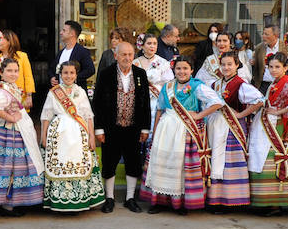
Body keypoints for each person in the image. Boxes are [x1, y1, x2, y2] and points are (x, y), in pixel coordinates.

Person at [141, 57, 224, 213]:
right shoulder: (168, 86)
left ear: (192, 70)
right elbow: (159, 108)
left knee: (181, 167)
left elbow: (218, 102)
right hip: (166, 129)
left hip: (186, 130)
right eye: (179, 68)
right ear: (174, 70)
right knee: (162, 163)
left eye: (185, 68)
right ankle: (159, 201)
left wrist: (199, 116)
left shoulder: (197, 86)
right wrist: (156, 129)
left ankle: (180, 203)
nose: (182, 72)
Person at [94, 40, 152, 212]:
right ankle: (109, 198)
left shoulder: (140, 74)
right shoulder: (105, 74)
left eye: (130, 54)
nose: (127, 58)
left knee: (133, 162)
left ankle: (130, 198)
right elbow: (97, 102)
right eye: (123, 54)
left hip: (133, 128)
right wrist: (99, 128)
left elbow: (145, 103)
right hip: (111, 127)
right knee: (109, 161)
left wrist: (144, 128)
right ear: (116, 56)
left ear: (134, 56)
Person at [41, 60, 104, 213]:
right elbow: (46, 115)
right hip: (58, 132)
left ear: (76, 75)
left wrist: (91, 137)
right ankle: (58, 201)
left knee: (79, 162)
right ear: (60, 74)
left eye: (71, 73)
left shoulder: (81, 92)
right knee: (59, 162)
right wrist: (43, 136)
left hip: (78, 131)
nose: (68, 76)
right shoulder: (54, 92)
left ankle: (80, 199)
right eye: (65, 73)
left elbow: (88, 115)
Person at [0, 58, 45, 214]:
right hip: (6, 134)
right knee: (8, 167)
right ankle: (6, 203)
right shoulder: (1, 89)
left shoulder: (12, 87)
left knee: (18, 167)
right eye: (9, 71)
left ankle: (16, 201)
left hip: (17, 132)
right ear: (1, 72)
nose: (13, 74)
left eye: (16, 71)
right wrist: (10, 117)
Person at [207, 50, 263, 210]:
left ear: (237, 65)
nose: (226, 67)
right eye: (223, 64)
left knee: (229, 162)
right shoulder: (215, 84)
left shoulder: (241, 84)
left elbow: (260, 100)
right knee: (216, 160)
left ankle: (231, 200)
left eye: (230, 64)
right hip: (216, 126)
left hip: (232, 128)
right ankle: (215, 199)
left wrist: (241, 114)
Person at [248, 54, 288, 214]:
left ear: (286, 68)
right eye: (270, 67)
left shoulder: (287, 83)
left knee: (271, 162)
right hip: (267, 124)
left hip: (278, 128)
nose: (273, 70)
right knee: (263, 161)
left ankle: (274, 204)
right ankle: (266, 202)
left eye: (277, 67)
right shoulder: (276, 82)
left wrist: (280, 111)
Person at [133, 34, 174, 122]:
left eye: (155, 43)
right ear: (142, 46)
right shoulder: (135, 63)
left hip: (157, 101)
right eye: (149, 43)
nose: (152, 46)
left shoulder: (163, 63)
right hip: (139, 101)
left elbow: (169, 83)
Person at [50, 20, 95, 91]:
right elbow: (52, 69)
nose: (60, 33)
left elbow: (90, 70)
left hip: (76, 93)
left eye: (64, 30)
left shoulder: (82, 51)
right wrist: (52, 77)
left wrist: (73, 78)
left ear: (72, 33)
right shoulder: (60, 52)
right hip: (60, 93)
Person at [1, 30, 36, 110]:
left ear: (9, 41)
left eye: (1, 39)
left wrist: (29, 96)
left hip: (19, 95)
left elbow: (28, 76)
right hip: (3, 97)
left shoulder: (22, 56)